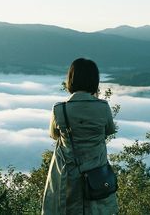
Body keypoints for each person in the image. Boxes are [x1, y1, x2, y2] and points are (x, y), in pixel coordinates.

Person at [42, 58, 118, 215]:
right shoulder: (103, 108)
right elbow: (109, 130)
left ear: (71, 79)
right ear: (94, 80)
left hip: (68, 179)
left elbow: (54, 135)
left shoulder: (59, 109)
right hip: (97, 178)